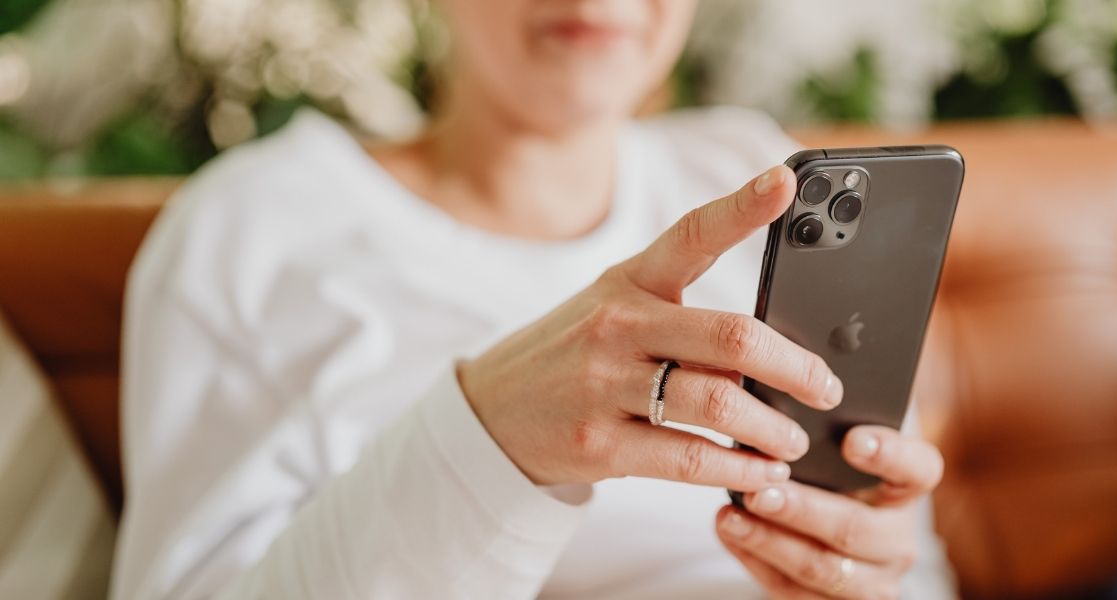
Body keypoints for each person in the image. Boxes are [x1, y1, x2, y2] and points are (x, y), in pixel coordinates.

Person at [112, 1, 955, 598]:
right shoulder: (254, 226)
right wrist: (493, 437)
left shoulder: (749, 169)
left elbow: (905, 563)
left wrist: (865, 574)